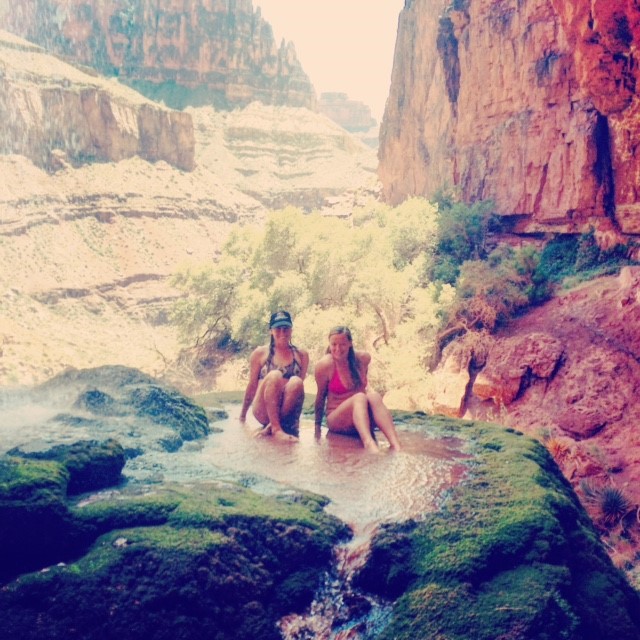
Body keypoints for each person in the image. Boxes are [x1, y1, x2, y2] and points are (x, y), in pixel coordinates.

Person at [314, 326, 401, 452]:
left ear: (350, 343)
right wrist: (317, 426)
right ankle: (368, 442)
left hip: (362, 418)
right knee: (359, 397)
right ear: (329, 344)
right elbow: (320, 397)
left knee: (374, 396)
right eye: (334, 345)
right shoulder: (324, 365)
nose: (338, 349)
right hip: (338, 420)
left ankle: (395, 444)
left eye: (342, 344)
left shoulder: (363, 359)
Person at [239, 310, 309, 441]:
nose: (282, 332)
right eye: (278, 328)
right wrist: (242, 416)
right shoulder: (260, 353)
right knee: (274, 375)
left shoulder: (301, 355)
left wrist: (296, 421)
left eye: (286, 328)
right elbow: (252, 385)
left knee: (296, 381)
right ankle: (276, 429)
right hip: (263, 409)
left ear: (291, 330)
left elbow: (299, 391)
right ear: (271, 331)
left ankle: (272, 426)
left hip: (286, 410)